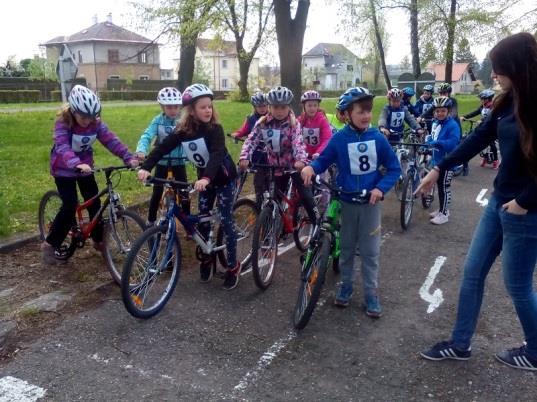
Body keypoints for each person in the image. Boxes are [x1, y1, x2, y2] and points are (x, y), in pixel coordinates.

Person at [417, 32, 537, 371]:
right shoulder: (506, 103)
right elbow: (476, 139)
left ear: (516, 66)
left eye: (498, 69)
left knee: (517, 285)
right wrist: (439, 168)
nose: (494, 75)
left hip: (525, 213)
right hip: (500, 202)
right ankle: (460, 343)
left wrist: (524, 202)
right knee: (472, 273)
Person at [301, 87, 401, 318]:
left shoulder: (377, 138)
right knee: (345, 249)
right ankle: (346, 285)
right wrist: (310, 167)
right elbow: (323, 161)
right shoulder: (339, 139)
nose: (366, 115)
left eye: (368, 110)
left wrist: (380, 188)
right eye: (360, 111)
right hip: (346, 202)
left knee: (369, 251)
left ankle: (371, 293)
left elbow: (394, 169)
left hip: (369, 204)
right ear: (347, 114)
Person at [137, 84, 241, 290]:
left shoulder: (215, 130)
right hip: (205, 181)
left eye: (210, 106)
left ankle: (232, 266)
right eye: (203, 107)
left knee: (227, 221)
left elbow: (217, 154)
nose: (208, 110)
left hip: (223, 180)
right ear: (191, 110)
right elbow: (163, 147)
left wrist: (207, 179)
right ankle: (207, 258)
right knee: (202, 219)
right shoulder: (183, 130)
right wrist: (147, 166)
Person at [41, 85, 138, 265]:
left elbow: (111, 140)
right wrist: (76, 163)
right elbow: (62, 146)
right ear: (73, 111)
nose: (87, 121)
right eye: (83, 117)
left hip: (85, 168)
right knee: (70, 205)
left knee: (95, 203)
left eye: (91, 117)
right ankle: (50, 244)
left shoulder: (95, 122)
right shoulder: (63, 123)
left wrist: (127, 157)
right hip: (63, 170)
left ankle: (98, 240)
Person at [238, 86, 318, 226]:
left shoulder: (293, 123)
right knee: (272, 200)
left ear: (288, 107)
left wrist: (300, 160)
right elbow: (251, 140)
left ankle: (316, 222)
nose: (279, 111)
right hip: (274, 167)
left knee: (305, 194)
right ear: (269, 107)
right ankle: (270, 233)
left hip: (292, 166)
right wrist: (244, 156)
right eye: (275, 107)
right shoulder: (262, 123)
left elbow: (298, 143)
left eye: (283, 107)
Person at [136, 87, 188, 227]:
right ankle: (151, 221)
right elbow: (147, 136)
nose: (173, 110)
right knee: (157, 191)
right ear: (162, 106)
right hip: (162, 161)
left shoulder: (183, 121)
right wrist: (141, 149)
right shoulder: (157, 121)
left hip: (179, 161)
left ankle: (188, 223)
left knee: (184, 192)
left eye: (176, 107)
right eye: (169, 107)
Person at [424, 96, 461, 225]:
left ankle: (444, 214)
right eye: (437, 111)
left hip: (448, 162)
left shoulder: (452, 125)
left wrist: (437, 143)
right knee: (439, 187)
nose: (440, 113)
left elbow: (453, 143)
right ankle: (441, 209)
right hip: (437, 160)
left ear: (448, 111)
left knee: (444, 188)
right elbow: (432, 136)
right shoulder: (435, 123)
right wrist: (429, 141)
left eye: (443, 111)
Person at [231, 92, 270, 209]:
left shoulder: (272, 117)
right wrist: (237, 134)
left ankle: (267, 203)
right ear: (254, 107)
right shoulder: (251, 118)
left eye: (264, 106)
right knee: (254, 180)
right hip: (255, 153)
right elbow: (244, 130)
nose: (262, 109)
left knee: (267, 180)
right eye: (259, 106)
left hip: (268, 155)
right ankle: (257, 204)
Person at [297, 90, 333, 212]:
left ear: (318, 106)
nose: (312, 108)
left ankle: (324, 209)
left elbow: (327, 138)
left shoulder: (322, 120)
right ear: (304, 106)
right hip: (305, 156)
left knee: (322, 183)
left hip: (318, 156)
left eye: (315, 105)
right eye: (309, 105)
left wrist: (319, 152)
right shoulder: (301, 120)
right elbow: (296, 135)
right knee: (303, 182)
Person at [461, 89, 499, 169]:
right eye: (481, 99)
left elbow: (491, 117)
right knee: (479, 141)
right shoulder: (483, 107)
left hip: (492, 127)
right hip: (484, 126)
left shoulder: (493, 107)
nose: (481, 100)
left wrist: (482, 120)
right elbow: (475, 112)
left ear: (488, 99)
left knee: (491, 143)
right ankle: (485, 157)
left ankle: (496, 160)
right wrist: (465, 116)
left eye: (482, 99)